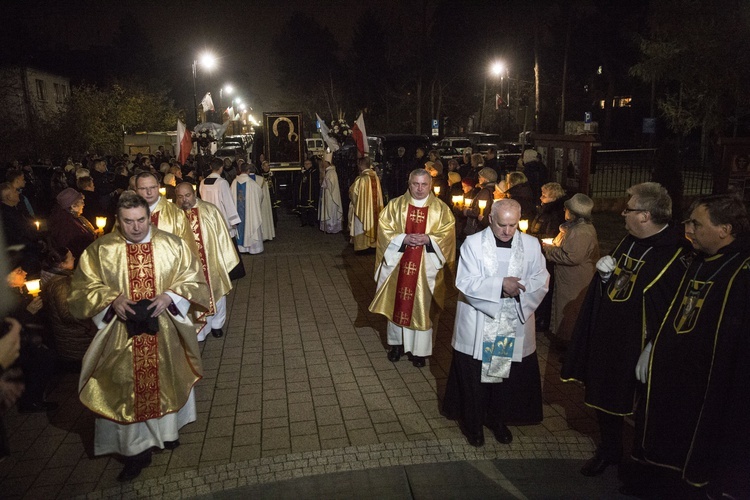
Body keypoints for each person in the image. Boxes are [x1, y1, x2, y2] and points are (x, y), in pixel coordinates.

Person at [68, 192, 209, 482]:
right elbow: (82, 289)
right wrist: (111, 301)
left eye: (141, 220)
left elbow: (193, 280)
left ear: (149, 216)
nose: (136, 227)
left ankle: (168, 433)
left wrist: (169, 297)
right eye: (128, 222)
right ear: (118, 221)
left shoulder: (172, 245)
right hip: (121, 338)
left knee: (166, 379)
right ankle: (135, 452)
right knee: (124, 388)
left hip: (165, 332)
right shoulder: (101, 250)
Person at [561, 182, 690, 478]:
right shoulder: (629, 240)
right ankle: (610, 450)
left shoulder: (675, 251)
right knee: (608, 396)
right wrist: (605, 279)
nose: (623, 213)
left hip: (645, 342)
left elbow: (671, 305)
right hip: (615, 336)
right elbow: (622, 287)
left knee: (646, 407)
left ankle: (645, 462)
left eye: (628, 208)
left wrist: (653, 345)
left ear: (645, 215)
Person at [632, 194, 749, 498]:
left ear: (724, 229)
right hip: (681, 376)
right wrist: (655, 346)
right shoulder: (700, 260)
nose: (688, 229)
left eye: (697, 223)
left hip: (714, 384)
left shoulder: (742, 272)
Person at [443, 198, 549, 446]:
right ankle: (473, 425)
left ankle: (497, 419)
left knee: (501, 377)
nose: (507, 231)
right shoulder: (473, 244)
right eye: (502, 225)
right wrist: (500, 285)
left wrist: (518, 290)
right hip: (479, 322)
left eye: (513, 225)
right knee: (475, 379)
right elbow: (465, 282)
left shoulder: (532, 246)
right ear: (490, 219)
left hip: (511, 322)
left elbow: (541, 279)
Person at [368, 168, 456, 368]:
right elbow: (384, 229)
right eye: (415, 184)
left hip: (426, 268)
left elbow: (448, 234)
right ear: (409, 184)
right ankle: (396, 345)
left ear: (430, 185)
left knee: (422, 307)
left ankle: (419, 352)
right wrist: (403, 238)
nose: (419, 188)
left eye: (424, 184)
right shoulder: (395, 206)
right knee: (397, 303)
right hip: (399, 265)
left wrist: (429, 239)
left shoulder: (441, 209)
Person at [175, 182, 239, 341]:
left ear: (194, 192)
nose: (185, 200)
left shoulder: (210, 211)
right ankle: (201, 330)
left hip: (211, 263)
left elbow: (223, 237)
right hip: (188, 268)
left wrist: (223, 263)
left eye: (187, 195)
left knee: (217, 292)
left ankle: (217, 324)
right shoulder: (174, 216)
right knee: (193, 296)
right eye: (180, 197)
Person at [542, 193, 599, 349]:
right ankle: (564, 340)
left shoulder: (581, 231)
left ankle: (570, 345)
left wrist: (549, 250)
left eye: (566, 209)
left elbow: (573, 257)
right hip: (568, 278)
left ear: (573, 212)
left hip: (576, 280)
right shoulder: (573, 228)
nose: (564, 211)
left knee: (572, 311)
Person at [40, 245, 96, 363]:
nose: (74, 258)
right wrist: (89, 316)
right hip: (75, 342)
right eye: (71, 258)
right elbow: (67, 313)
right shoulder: (61, 285)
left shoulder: (61, 278)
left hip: (73, 338)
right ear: (61, 265)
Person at [528, 182, 567, 332]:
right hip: (540, 251)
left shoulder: (554, 213)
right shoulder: (545, 209)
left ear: (553, 197)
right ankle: (539, 315)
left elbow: (550, 235)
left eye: (544, 195)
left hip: (546, 254)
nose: (540, 197)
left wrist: (532, 237)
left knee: (546, 287)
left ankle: (543, 319)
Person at [133, 172, 195, 250]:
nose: (149, 192)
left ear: (159, 186)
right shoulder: (127, 214)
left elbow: (188, 249)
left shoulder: (176, 214)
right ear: (136, 189)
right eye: (143, 188)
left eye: (152, 187)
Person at [48, 187, 98, 261]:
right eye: (81, 202)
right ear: (73, 206)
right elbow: (77, 246)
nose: (84, 204)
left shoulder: (72, 217)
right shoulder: (68, 225)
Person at [199, 158, 241, 238]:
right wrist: (234, 220)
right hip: (221, 218)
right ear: (221, 167)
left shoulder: (203, 182)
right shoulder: (222, 183)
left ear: (211, 167)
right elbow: (228, 202)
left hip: (208, 217)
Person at [348, 157, 384, 252]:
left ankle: (362, 247)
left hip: (363, 209)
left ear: (361, 165)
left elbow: (353, 193)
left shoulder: (361, 179)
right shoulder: (375, 177)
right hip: (375, 208)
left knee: (361, 224)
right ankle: (373, 245)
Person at [231, 163, 265, 254]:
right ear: (248, 171)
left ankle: (241, 249)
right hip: (250, 214)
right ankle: (253, 249)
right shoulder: (252, 184)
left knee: (240, 227)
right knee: (251, 224)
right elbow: (260, 196)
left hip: (238, 213)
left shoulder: (234, 182)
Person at [463, 167, 497, 237]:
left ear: (485, 179)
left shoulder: (485, 192)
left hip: (478, 225)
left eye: (480, 177)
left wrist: (466, 211)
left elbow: (477, 211)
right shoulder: (493, 189)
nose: (478, 178)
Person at [318, 155, 344, 234]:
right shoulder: (328, 172)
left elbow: (328, 185)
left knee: (330, 210)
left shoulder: (331, 172)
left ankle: (331, 227)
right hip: (327, 194)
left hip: (331, 196)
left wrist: (323, 179)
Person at [294, 157, 321, 227]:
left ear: (311, 164)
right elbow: (298, 182)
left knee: (311, 208)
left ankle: (311, 222)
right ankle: (304, 221)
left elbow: (313, 181)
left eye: (308, 164)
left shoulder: (313, 172)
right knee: (303, 208)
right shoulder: (302, 172)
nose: (307, 165)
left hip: (310, 192)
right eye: (305, 164)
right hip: (303, 193)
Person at [256, 162, 276, 241]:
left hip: (271, 195)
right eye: (265, 166)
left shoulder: (272, 175)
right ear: (262, 167)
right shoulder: (259, 176)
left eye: (268, 166)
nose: (266, 167)